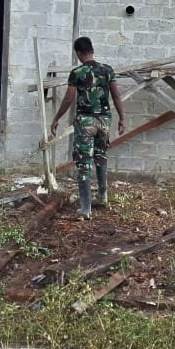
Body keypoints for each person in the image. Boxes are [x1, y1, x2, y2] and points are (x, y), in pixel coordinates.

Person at [49, 36, 126, 219]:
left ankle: (85, 208)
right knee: (101, 157)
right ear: (91, 50)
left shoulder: (78, 72)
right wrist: (122, 118)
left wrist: (56, 118)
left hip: (86, 122)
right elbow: (115, 96)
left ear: (78, 53)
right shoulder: (107, 70)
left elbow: (68, 99)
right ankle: (102, 195)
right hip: (104, 122)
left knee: (84, 163)